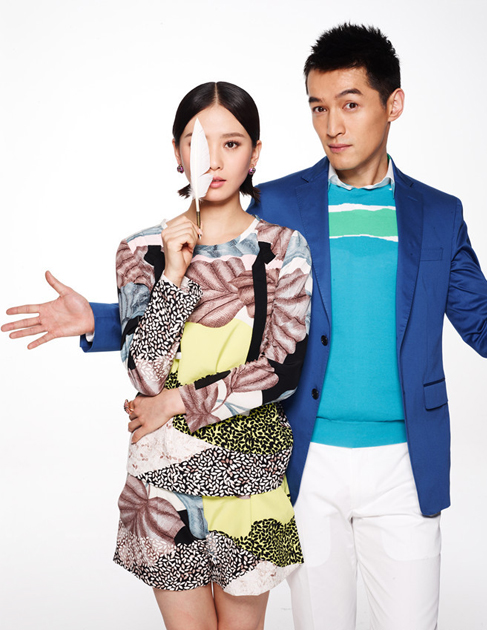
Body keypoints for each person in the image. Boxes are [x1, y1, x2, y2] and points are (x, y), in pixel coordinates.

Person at [3, 24, 487, 630]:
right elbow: (220, 281)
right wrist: (104, 320)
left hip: (404, 462)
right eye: (318, 108)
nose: (333, 126)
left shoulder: (440, 213)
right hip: (305, 454)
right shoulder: (280, 205)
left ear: (393, 104)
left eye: (349, 105)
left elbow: (486, 327)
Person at [6, 81, 313, 630]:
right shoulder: (140, 250)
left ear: (255, 154)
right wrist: (173, 272)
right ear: (176, 152)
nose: (213, 160)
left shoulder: (282, 248)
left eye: (231, 143)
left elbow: (280, 371)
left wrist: (175, 401)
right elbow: (144, 375)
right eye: (196, 142)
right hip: (165, 476)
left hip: (250, 473)